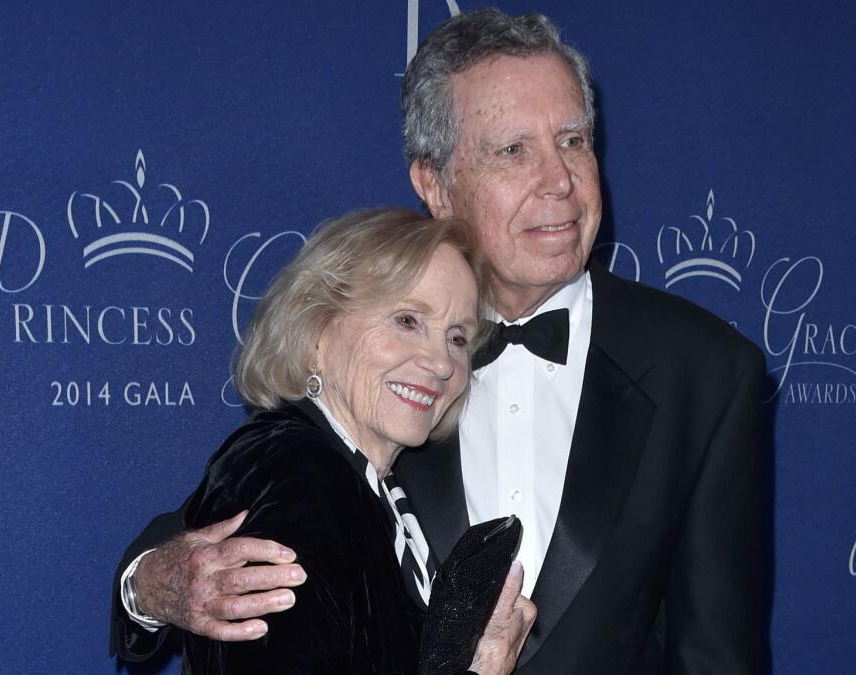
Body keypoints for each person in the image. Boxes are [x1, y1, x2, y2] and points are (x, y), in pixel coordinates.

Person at [113, 9, 766, 673]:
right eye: (514, 150)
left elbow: (717, 654)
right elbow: (230, 522)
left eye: (573, 141)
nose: (560, 180)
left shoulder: (709, 371)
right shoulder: (379, 366)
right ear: (436, 185)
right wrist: (150, 580)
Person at [150, 208, 535, 674]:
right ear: (316, 329)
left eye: (457, 337)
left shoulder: (366, 479)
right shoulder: (301, 472)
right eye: (407, 320)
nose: (440, 363)